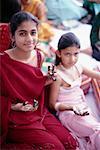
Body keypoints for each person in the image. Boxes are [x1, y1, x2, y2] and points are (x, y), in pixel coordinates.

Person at [0, 11, 77, 149]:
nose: (29, 39)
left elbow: (32, 85)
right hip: (14, 118)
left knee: (70, 143)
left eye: (33, 33)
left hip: (38, 111)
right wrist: (12, 106)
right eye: (22, 33)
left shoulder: (39, 56)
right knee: (55, 147)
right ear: (12, 36)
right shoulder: (2, 62)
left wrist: (47, 80)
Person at [49, 32, 100, 150]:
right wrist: (71, 108)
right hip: (68, 113)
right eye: (67, 54)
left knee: (95, 129)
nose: (72, 59)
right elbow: (52, 105)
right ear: (59, 53)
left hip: (83, 108)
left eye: (76, 54)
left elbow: (96, 75)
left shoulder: (78, 66)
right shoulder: (58, 76)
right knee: (96, 130)